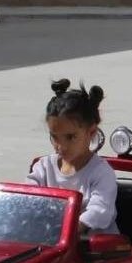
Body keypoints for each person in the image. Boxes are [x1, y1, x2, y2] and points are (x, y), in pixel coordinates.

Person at [28, 79, 119, 234]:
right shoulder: (43, 167)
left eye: (70, 137)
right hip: (49, 241)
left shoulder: (101, 173)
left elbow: (100, 211)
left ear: (91, 133)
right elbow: (27, 196)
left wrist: (68, 230)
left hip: (91, 251)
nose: (60, 146)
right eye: (54, 137)